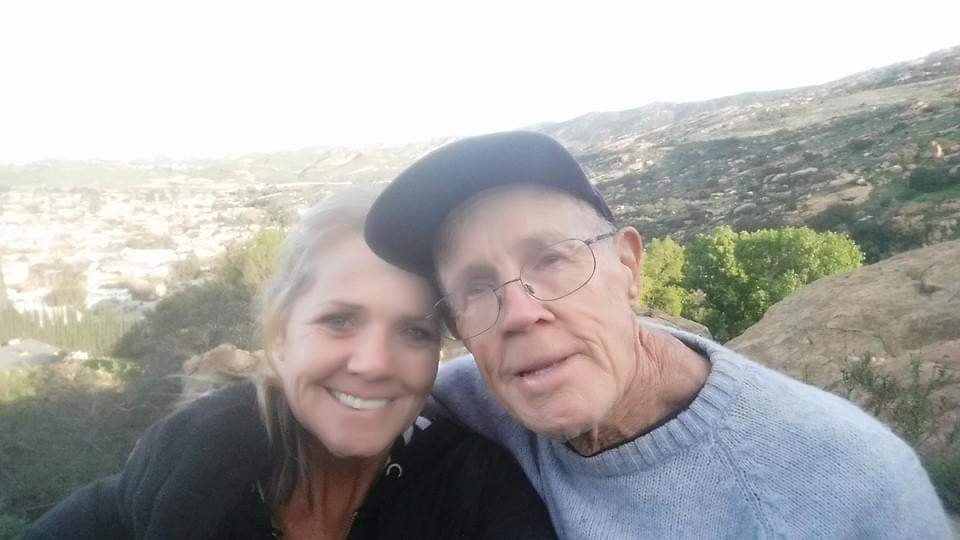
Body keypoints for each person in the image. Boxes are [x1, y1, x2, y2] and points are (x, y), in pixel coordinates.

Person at [363, 131, 953, 538]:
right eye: (475, 289)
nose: (518, 313)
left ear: (628, 265)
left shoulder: (846, 484)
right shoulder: (473, 398)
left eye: (551, 259)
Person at [22, 190, 556, 539]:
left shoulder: (470, 488)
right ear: (280, 337)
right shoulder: (202, 456)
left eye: (414, 331)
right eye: (339, 321)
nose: (373, 364)